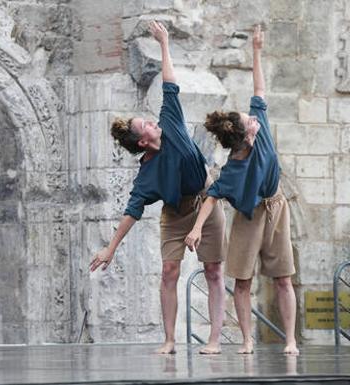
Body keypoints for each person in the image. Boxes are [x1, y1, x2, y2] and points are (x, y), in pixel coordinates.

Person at [90, 20, 227, 355]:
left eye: (148, 120)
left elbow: (169, 84)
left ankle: (213, 340)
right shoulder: (147, 173)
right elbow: (132, 211)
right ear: (142, 140)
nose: (151, 121)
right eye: (144, 125)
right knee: (168, 270)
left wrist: (164, 43)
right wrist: (110, 248)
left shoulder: (172, 124)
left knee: (213, 270)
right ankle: (169, 340)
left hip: (207, 203)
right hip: (175, 212)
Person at [184, 25, 299, 355]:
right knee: (243, 281)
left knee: (283, 277)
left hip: (276, 207)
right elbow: (211, 197)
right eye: (250, 121)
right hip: (248, 218)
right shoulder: (233, 169)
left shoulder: (258, 126)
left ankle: (290, 340)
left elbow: (259, 87)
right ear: (247, 138)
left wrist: (257, 51)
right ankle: (248, 340)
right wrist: (194, 229)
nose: (255, 118)